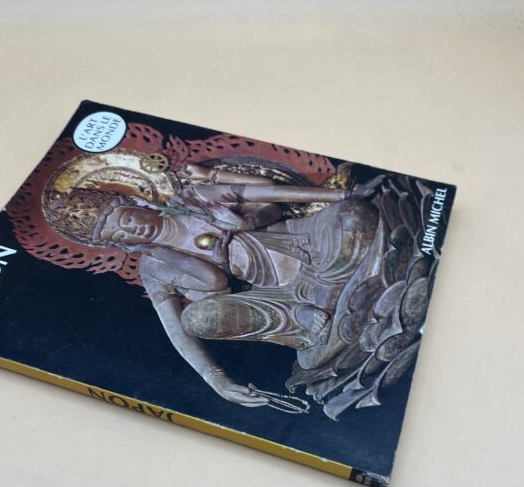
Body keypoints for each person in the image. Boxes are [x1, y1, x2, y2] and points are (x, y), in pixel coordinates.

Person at [44, 170, 384, 409]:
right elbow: (176, 328)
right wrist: (216, 379)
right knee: (198, 319)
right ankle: (314, 308)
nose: (132, 229)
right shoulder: (154, 267)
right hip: (281, 297)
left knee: (352, 216)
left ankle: (325, 305)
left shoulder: (191, 200)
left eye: (126, 218)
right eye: (120, 234)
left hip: (308, 244)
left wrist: (341, 196)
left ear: (134, 204)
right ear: (119, 244)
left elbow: (267, 196)